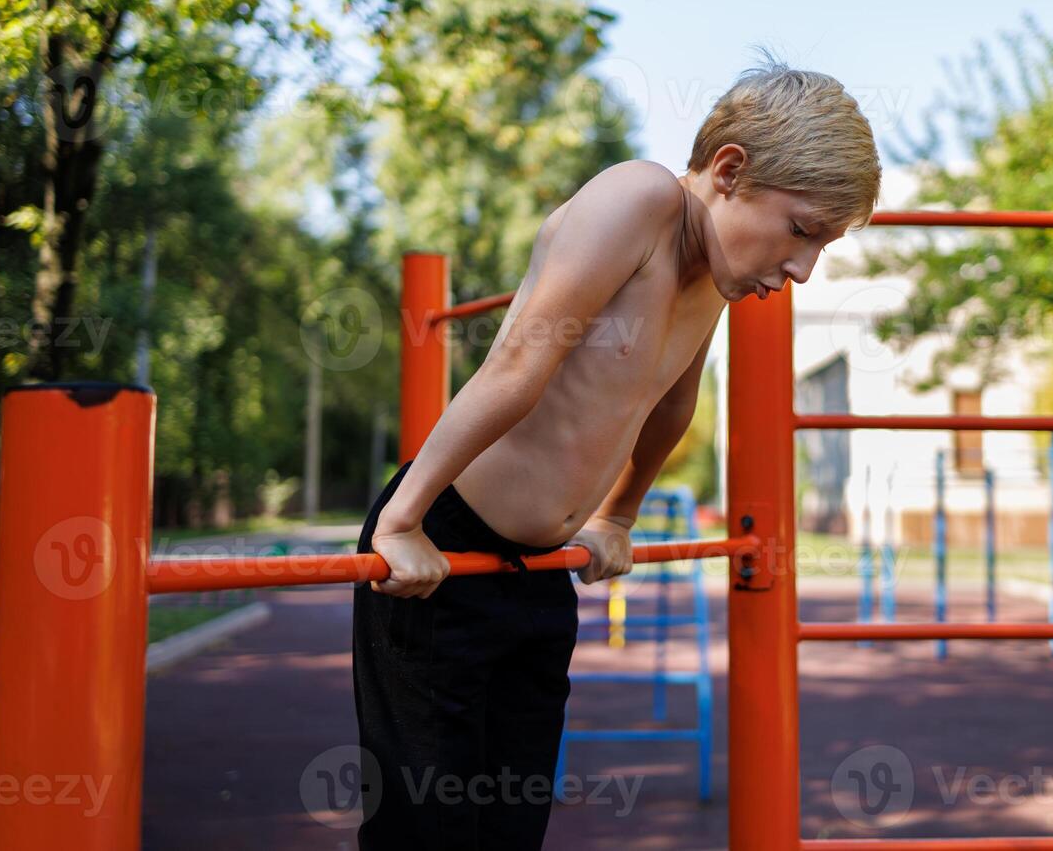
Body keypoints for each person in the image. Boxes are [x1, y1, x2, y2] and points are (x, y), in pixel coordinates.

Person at [352, 52, 881, 849]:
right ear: (729, 171)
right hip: (446, 547)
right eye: (801, 231)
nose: (803, 268)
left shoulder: (716, 276)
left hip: (540, 574)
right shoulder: (638, 199)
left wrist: (618, 515)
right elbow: (519, 363)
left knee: (510, 822)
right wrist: (402, 523)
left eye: (822, 247)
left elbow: (671, 402)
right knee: (423, 826)